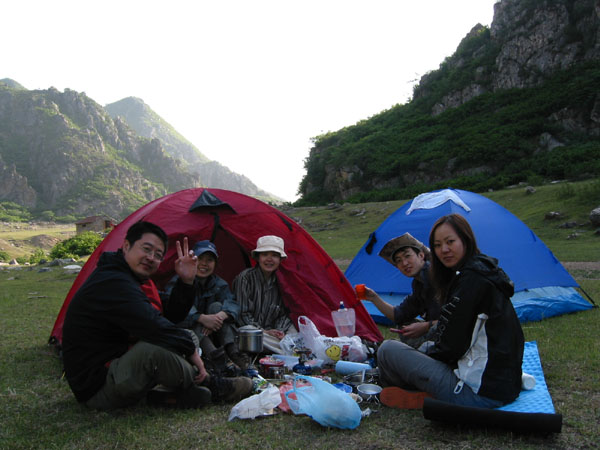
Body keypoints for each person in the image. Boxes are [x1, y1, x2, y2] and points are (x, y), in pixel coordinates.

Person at [61, 221, 252, 410]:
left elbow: (171, 314)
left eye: (158, 255)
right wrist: (191, 351)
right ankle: (212, 384)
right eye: (146, 249)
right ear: (126, 246)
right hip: (98, 386)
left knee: (183, 337)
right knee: (154, 350)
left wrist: (186, 282)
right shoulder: (113, 281)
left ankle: (165, 395)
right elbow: (153, 325)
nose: (151, 258)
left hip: (117, 366)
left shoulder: (132, 279)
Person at [377, 214, 524, 409]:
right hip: (505, 385)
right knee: (418, 349)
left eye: (450, 242)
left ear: (465, 240)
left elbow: (450, 348)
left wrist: (425, 353)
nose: (444, 250)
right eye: (437, 245)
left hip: (477, 392)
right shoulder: (481, 272)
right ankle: (419, 386)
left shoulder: (470, 282)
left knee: (387, 350)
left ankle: (416, 391)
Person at [167, 240, 249, 372]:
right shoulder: (179, 281)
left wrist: (219, 317)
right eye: (200, 259)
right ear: (192, 260)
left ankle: (233, 352)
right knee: (194, 319)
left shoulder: (219, 283)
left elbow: (233, 303)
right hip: (191, 334)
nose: (204, 264)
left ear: (215, 264)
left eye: (209, 260)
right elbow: (173, 308)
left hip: (215, 333)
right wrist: (202, 318)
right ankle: (216, 357)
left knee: (217, 307)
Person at [363, 232, 439, 349]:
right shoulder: (419, 284)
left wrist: (426, 326)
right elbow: (399, 315)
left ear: (421, 255)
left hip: (456, 335)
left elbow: (458, 318)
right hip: (439, 330)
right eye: (398, 260)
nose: (404, 263)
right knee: (405, 325)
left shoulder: (437, 276)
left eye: (407, 256)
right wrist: (374, 298)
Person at [232, 235, 297, 354]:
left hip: (271, 333)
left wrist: (279, 331)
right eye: (265, 254)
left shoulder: (281, 282)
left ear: (280, 260)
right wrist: (264, 331)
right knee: (249, 332)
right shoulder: (245, 278)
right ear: (258, 257)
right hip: (253, 331)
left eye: (274, 255)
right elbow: (242, 314)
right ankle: (288, 350)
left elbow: (284, 313)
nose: (269, 259)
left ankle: (283, 347)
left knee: (293, 330)